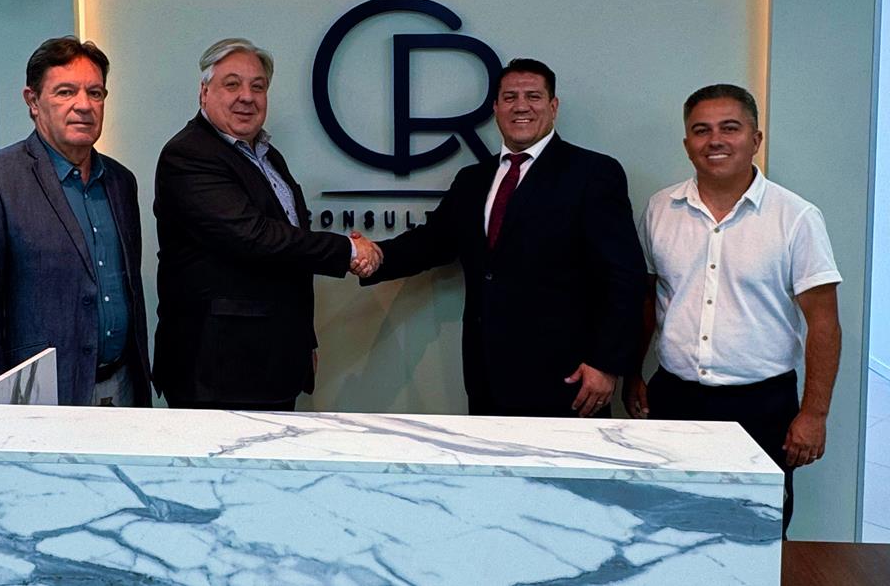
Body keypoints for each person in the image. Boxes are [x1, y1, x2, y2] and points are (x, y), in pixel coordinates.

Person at [361, 58, 646, 417]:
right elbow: (432, 243)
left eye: (533, 96)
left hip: (568, 378)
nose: (521, 106)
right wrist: (371, 255)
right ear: (496, 108)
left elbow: (624, 276)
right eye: (510, 97)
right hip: (486, 375)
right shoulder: (473, 179)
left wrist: (606, 363)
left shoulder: (593, 173)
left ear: (553, 106)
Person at [623, 83, 842, 535]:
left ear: (755, 139)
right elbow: (647, 298)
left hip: (762, 406)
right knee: (665, 529)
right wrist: (634, 374)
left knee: (755, 535)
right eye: (701, 130)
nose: (715, 140)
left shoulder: (796, 217)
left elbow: (823, 322)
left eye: (730, 128)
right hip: (674, 399)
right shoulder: (660, 209)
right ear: (687, 143)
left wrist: (814, 414)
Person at [153, 38, 381, 411]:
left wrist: (303, 341)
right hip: (217, 372)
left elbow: (290, 256)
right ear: (204, 92)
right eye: (232, 84)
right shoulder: (189, 154)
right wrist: (348, 250)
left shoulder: (267, 155)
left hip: (272, 364)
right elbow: (253, 236)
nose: (247, 97)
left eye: (257, 87)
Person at [0, 36, 152, 406]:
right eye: (65, 92)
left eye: (95, 93)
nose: (84, 105)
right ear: (33, 101)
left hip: (123, 387)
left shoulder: (121, 182)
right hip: (42, 397)